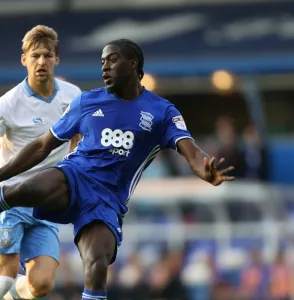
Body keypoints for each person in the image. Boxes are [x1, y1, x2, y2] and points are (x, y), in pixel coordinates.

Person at [0, 39, 234, 300]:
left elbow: (191, 151)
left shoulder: (162, 112)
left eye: (111, 60)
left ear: (132, 64)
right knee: (21, 190)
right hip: (74, 177)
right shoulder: (87, 101)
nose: (104, 68)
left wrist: (206, 172)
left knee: (96, 263)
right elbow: (43, 145)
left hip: (107, 201)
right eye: (102, 62)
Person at [0, 25, 81, 299]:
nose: (41, 62)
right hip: (10, 198)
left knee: (42, 285)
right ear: (24, 59)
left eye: (47, 55)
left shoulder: (73, 96)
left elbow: (79, 135)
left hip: (45, 202)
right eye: (34, 56)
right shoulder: (8, 104)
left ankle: (12, 294)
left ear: (56, 59)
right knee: (5, 273)